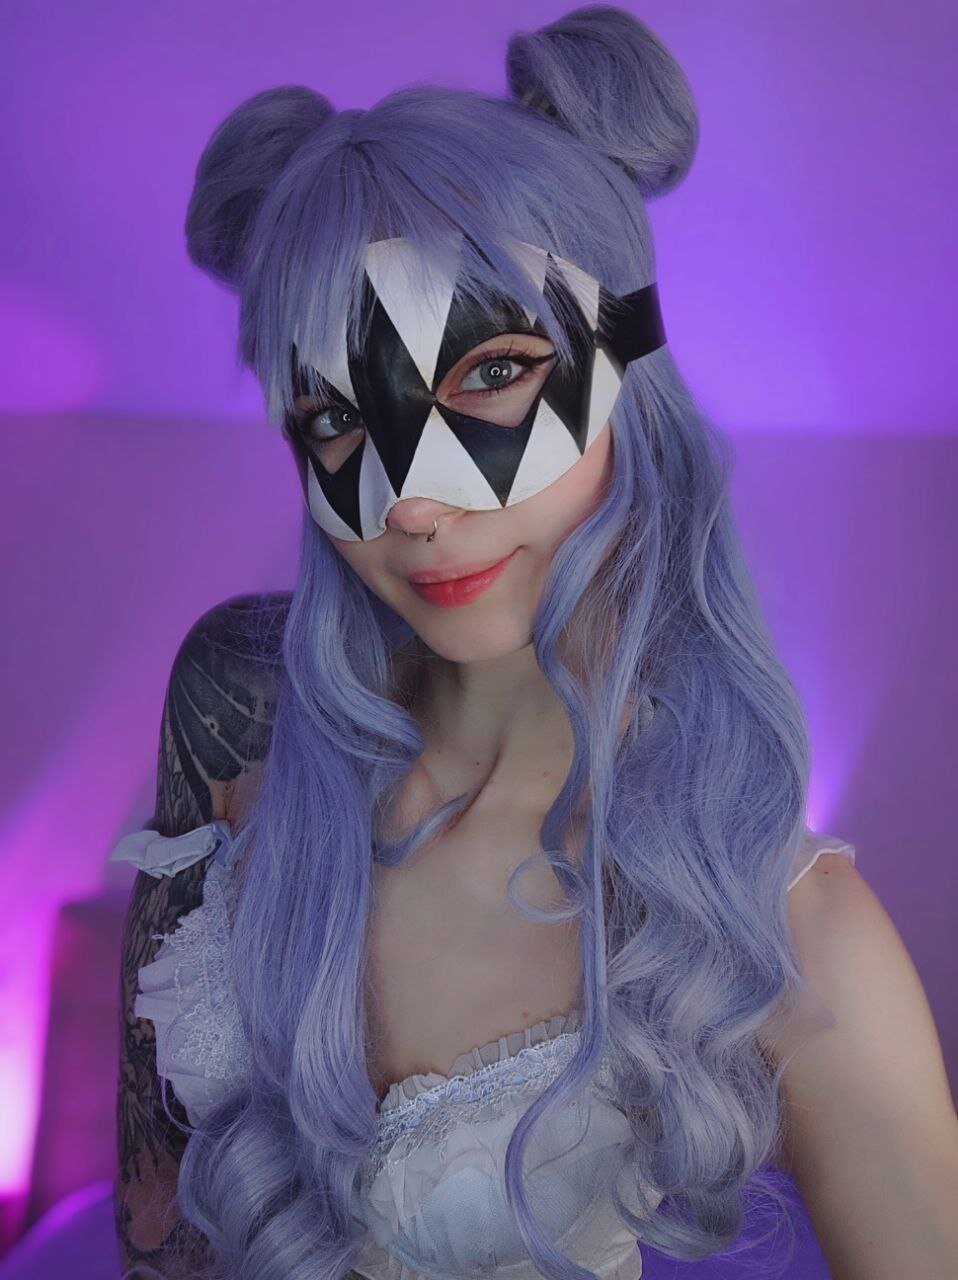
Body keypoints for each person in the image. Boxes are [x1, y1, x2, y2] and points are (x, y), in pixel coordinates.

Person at [110, 6, 958, 1280]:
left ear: (629, 375)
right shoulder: (241, 718)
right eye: (336, 417)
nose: (410, 502)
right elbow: (157, 1232)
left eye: (492, 372)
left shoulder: (778, 922)